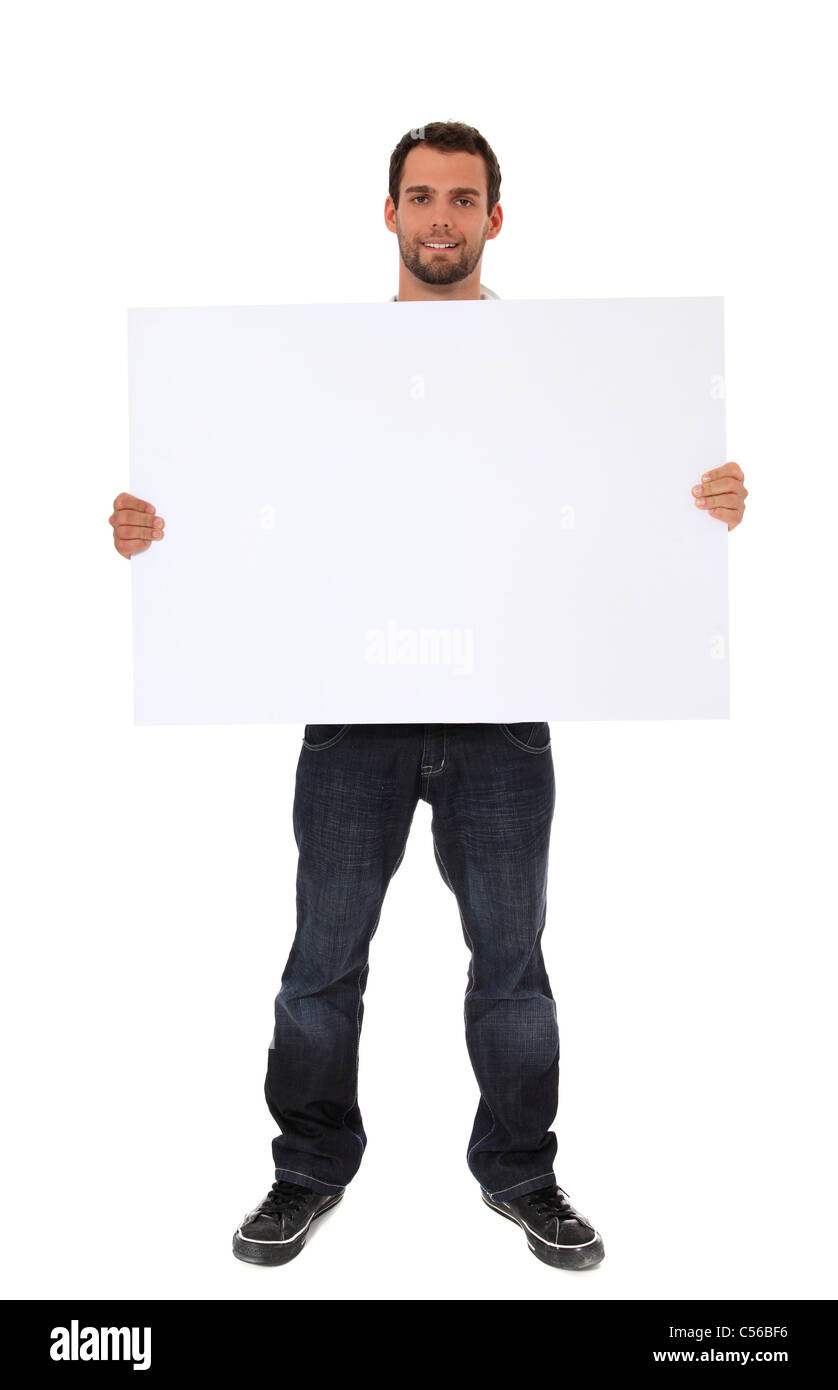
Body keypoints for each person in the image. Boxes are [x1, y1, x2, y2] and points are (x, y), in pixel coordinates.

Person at [109, 121, 748, 1272]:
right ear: (390, 214)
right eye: (421, 197)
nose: (441, 219)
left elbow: (608, 491)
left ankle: (521, 1172)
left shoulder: (558, 363)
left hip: (500, 710)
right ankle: (306, 1169)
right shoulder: (323, 363)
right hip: (351, 706)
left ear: (494, 218)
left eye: (463, 199)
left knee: (511, 965)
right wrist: (162, 529)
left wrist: (697, 501)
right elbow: (258, 490)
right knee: (322, 961)